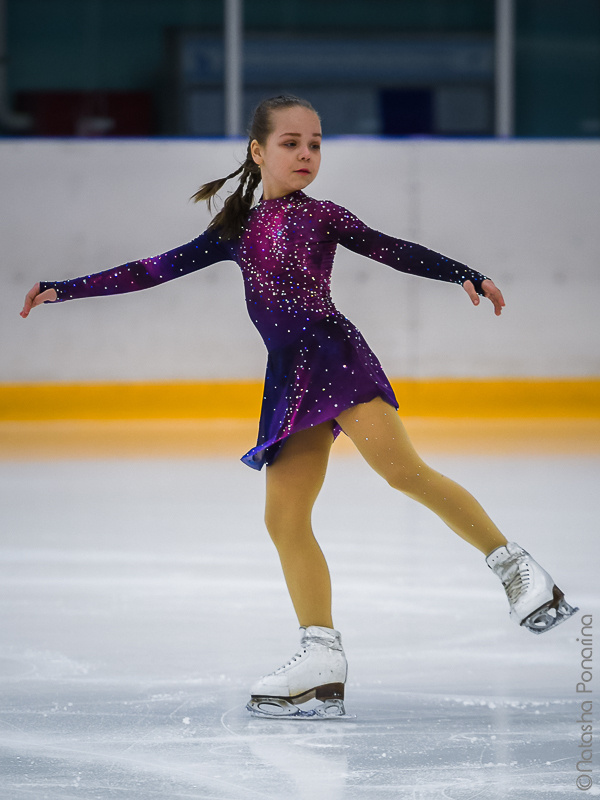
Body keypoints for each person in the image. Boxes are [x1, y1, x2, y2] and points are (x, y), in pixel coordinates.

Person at [21, 95, 577, 718]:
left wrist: (462, 273)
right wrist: (66, 289)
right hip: (290, 379)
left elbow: (392, 248)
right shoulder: (235, 229)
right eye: (291, 143)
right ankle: (321, 657)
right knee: (284, 520)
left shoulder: (326, 216)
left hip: (334, 356)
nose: (306, 154)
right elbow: (155, 268)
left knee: (403, 471)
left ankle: (518, 570)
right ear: (258, 151)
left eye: (314, 143)